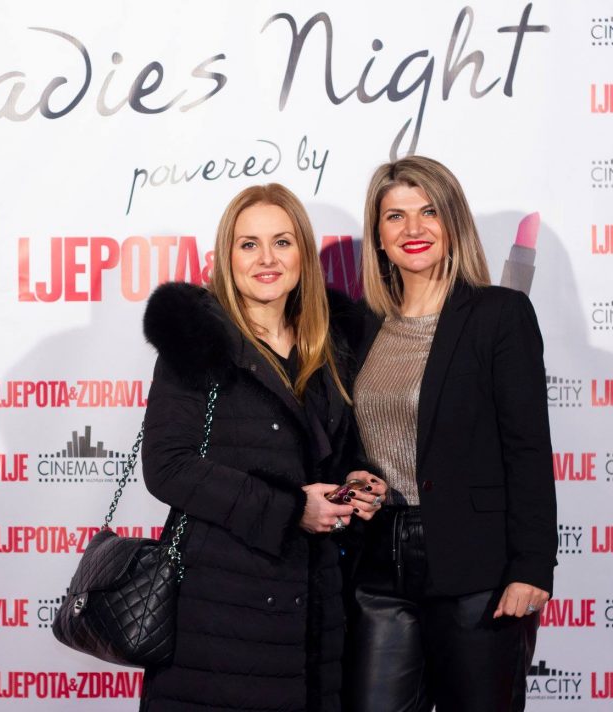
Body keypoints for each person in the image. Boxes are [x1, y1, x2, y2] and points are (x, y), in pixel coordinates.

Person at [139, 183, 387, 712]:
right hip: (219, 611)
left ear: (303, 253)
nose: (267, 259)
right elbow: (167, 466)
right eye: (249, 244)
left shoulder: (332, 344)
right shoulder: (198, 341)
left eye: (282, 242)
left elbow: (334, 454)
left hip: (316, 610)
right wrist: (292, 509)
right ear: (227, 257)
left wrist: (357, 482)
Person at [342, 156, 558, 712]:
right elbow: (351, 438)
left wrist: (532, 567)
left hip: (477, 569)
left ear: (453, 221)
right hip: (378, 565)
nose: (412, 229)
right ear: (378, 236)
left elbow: (528, 448)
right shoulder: (361, 324)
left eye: (429, 212)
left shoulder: (499, 314)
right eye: (395, 216)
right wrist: (355, 477)